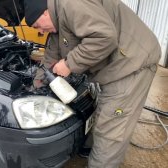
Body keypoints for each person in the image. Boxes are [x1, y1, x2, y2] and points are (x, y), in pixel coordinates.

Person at [23, 0, 161, 167]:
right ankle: (89, 148)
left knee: (111, 130)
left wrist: (69, 64)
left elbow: (105, 37)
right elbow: (49, 59)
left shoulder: (70, 4)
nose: (39, 31)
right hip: (114, 66)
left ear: (45, 12)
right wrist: (34, 87)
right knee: (100, 112)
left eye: (38, 25)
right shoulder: (57, 23)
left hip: (132, 64)